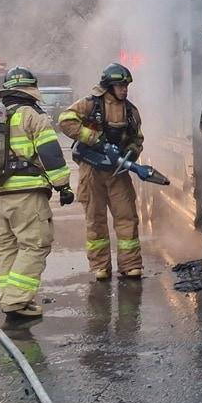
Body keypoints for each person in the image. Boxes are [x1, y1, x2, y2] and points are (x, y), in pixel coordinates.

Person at [0, 67, 74, 331]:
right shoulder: (33, 116)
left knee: (8, 247)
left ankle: (10, 296)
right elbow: (51, 154)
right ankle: (16, 301)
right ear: (31, 89)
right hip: (26, 195)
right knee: (35, 245)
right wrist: (64, 186)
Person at [58, 63, 145, 281]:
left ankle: (131, 265)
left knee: (127, 217)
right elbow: (65, 120)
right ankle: (100, 267)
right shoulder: (90, 104)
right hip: (92, 170)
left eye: (126, 85)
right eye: (120, 85)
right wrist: (95, 139)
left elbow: (137, 138)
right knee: (95, 220)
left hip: (117, 172)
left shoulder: (131, 111)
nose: (124, 89)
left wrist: (132, 152)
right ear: (108, 86)